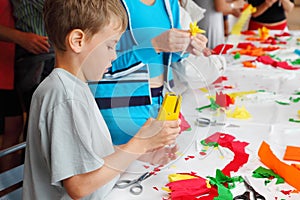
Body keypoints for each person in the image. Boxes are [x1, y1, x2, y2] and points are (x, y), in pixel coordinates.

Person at [22, 0, 181, 199]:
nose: (114, 56)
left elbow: (91, 154)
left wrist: (145, 152)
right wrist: (140, 144)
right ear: (77, 41)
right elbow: (78, 186)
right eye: (110, 46)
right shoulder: (63, 96)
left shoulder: (76, 88)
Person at [90, 0, 208, 145]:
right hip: (123, 107)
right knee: (126, 164)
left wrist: (186, 46)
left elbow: (169, 54)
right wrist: (155, 45)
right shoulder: (109, 4)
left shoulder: (169, 3)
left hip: (163, 103)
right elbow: (99, 64)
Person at [9, 0, 55, 139]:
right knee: (43, 121)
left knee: (44, 121)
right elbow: (61, 9)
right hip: (38, 56)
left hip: (45, 54)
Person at [0, 0, 23, 171]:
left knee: (14, 128)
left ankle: (7, 187)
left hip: (9, 70)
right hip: (3, 72)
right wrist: (22, 38)